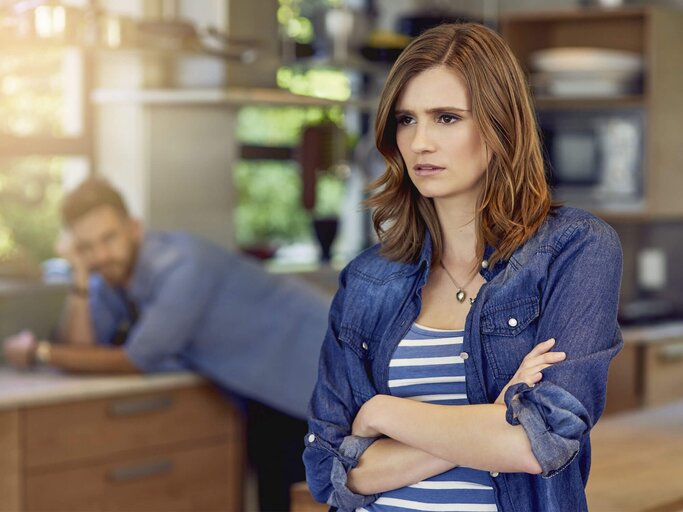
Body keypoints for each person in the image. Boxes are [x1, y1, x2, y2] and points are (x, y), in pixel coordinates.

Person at [303, 22, 622, 512]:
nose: (420, 142)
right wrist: (491, 419)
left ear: (498, 126)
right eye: (407, 120)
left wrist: (383, 414)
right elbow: (330, 474)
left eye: (446, 118)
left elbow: (540, 445)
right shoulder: (369, 279)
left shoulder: (575, 250)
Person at [3, 178, 330, 512]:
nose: (101, 254)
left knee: (315, 498)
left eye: (108, 238)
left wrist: (38, 352)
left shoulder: (182, 265)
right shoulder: (111, 279)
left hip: (316, 365)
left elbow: (134, 360)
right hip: (262, 387)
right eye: (86, 248)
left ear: (133, 228)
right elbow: (81, 345)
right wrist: (80, 275)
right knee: (279, 495)